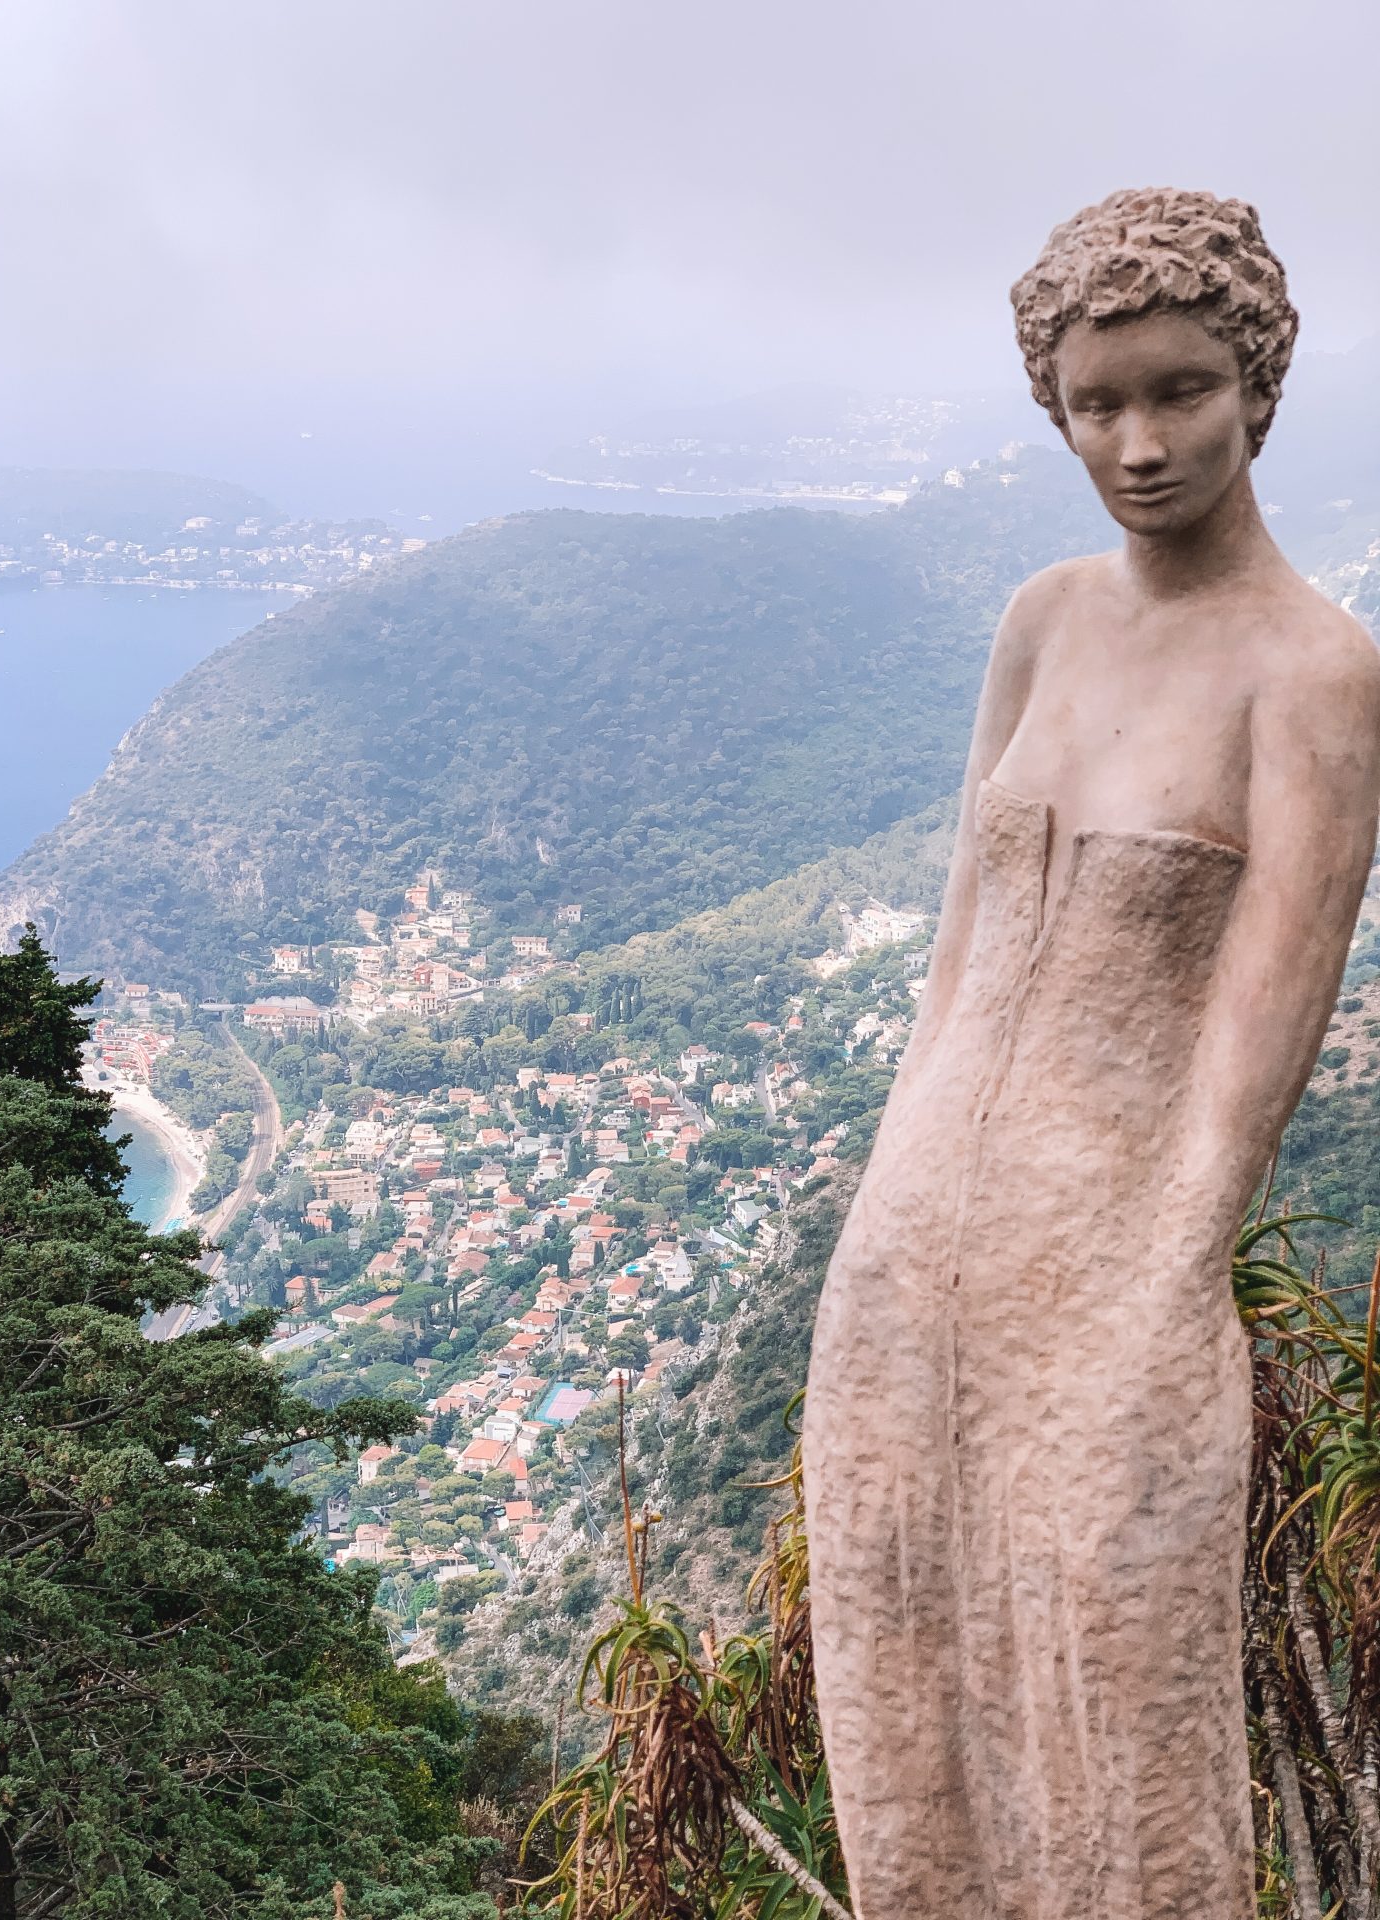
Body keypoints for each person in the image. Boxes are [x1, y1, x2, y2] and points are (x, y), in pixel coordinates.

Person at [803, 187, 1380, 1919]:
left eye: (1181, 389)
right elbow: (956, 959)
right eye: (1096, 404)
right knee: (904, 1693)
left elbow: (1258, 1048)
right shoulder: (1043, 617)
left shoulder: (1317, 673)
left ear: (1258, 381)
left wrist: (1163, 1292)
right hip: (910, 1259)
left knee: (1122, 1731)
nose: (1139, 443)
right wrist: (867, 1232)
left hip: (1116, 1273)